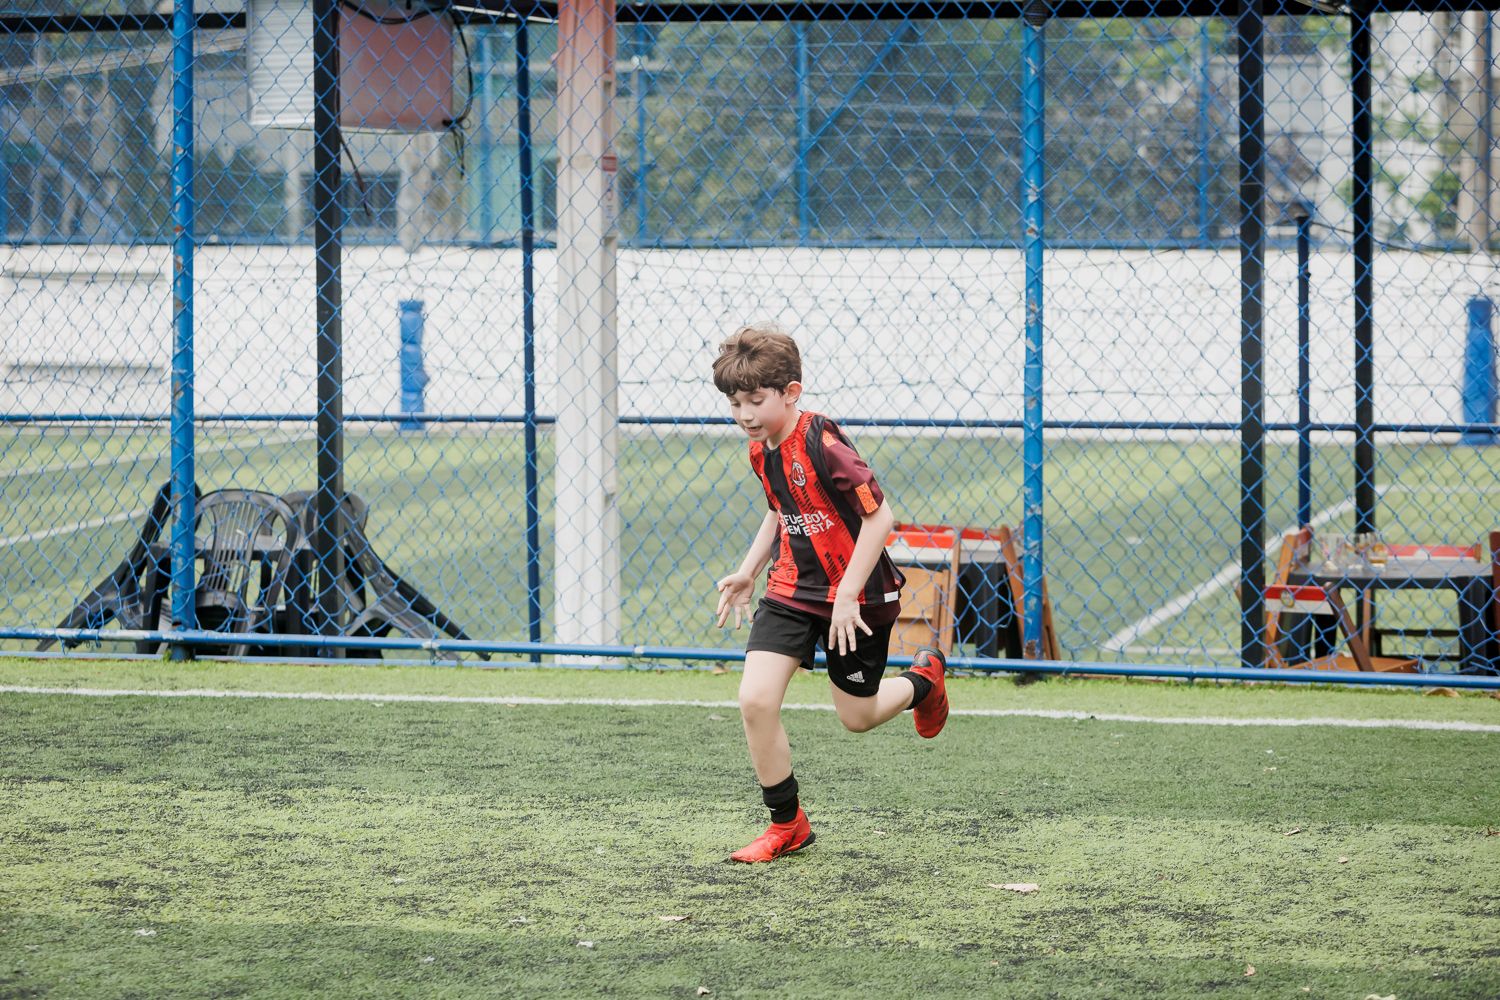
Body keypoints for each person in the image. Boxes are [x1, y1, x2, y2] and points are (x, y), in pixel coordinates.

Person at [712, 323, 949, 864]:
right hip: (792, 589)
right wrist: (750, 570)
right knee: (755, 700)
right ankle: (788, 824)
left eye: (755, 400)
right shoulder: (761, 450)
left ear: (791, 392)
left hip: (857, 598)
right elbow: (781, 509)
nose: (744, 414)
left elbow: (879, 515)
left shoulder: (823, 440)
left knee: (857, 717)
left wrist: (845, 593)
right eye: (734, 403)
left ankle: (924, 680)